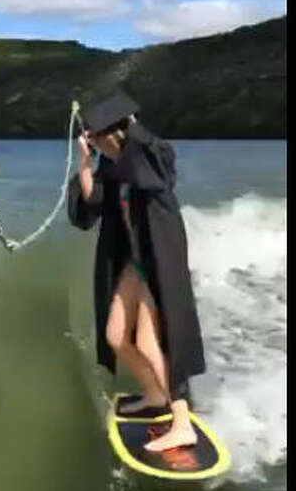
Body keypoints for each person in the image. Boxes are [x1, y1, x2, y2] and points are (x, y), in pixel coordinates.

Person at [67, 90, 207, 452]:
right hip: (133, 263)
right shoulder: (114, 170)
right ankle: (155, 395)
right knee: (116, 336)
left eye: (98, 140)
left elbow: (156, 164)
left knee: (151, 341)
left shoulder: (153, 157)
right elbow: (92, 202)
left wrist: (129, 125)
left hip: (159, 261)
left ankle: (182, 423)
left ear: (115, 136)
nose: (95, 145)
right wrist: (85, 161)